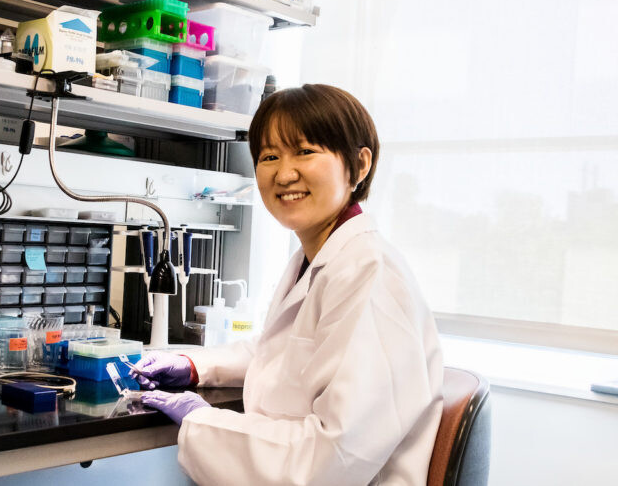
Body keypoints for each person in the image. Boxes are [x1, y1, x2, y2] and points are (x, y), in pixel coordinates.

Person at [134, 84, 443, 485]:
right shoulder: (319, 258)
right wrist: (196, 367)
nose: (284, 173)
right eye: (269, 156)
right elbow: (283, 354)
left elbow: (333, 458)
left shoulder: (369, 272)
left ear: (359, 165)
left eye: (305, 151)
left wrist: (203, 420)